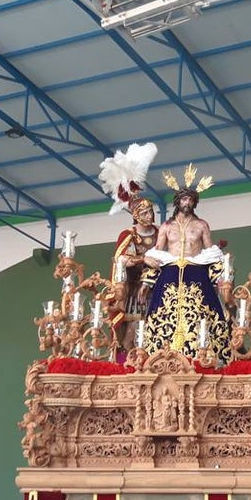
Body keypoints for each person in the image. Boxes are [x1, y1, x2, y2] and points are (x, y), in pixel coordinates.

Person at [140, 166, 231, 363]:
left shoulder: (202, 225)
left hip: (196, 272)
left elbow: (211, 254)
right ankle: (160, 354)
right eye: (184, 199)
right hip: (170, 273)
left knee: (202, 314)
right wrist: (146, 283)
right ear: (177, 202)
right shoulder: (166, 227)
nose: (187, 203)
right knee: (161, 313)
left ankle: (203, 354)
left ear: (194, 203)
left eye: (190, 200)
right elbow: (156, 253)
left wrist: (223, 281)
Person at [99, 142, 160, 354]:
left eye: (150, 212)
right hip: (134, 288)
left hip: (157, 285)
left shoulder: (160, 232)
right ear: (135, 216)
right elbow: (121, 260)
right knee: (133, 330)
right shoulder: (129, 235)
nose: (149, 216)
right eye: (144, 214)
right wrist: (143, 260)